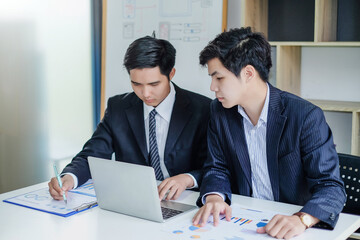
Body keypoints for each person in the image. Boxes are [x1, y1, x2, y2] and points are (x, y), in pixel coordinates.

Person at [192, 27, 346, 239]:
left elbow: (331, 187)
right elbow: (217, 166)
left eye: (219, 78)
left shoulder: (304, 116)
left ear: (248, 73)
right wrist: (215, 197)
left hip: (292, 225)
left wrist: (303, 218)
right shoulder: (220, 112)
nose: (212, 87)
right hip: (242, 222)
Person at [48, 36, 211, 201]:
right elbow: (92, 155)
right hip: (133, 201)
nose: (145, 94)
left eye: (154, 84)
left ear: (171, 74)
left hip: (184, 200)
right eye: (137, 84)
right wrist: (69, 177)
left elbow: (216, 167)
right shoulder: (118, 108)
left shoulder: (203, 110)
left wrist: (188, 179)